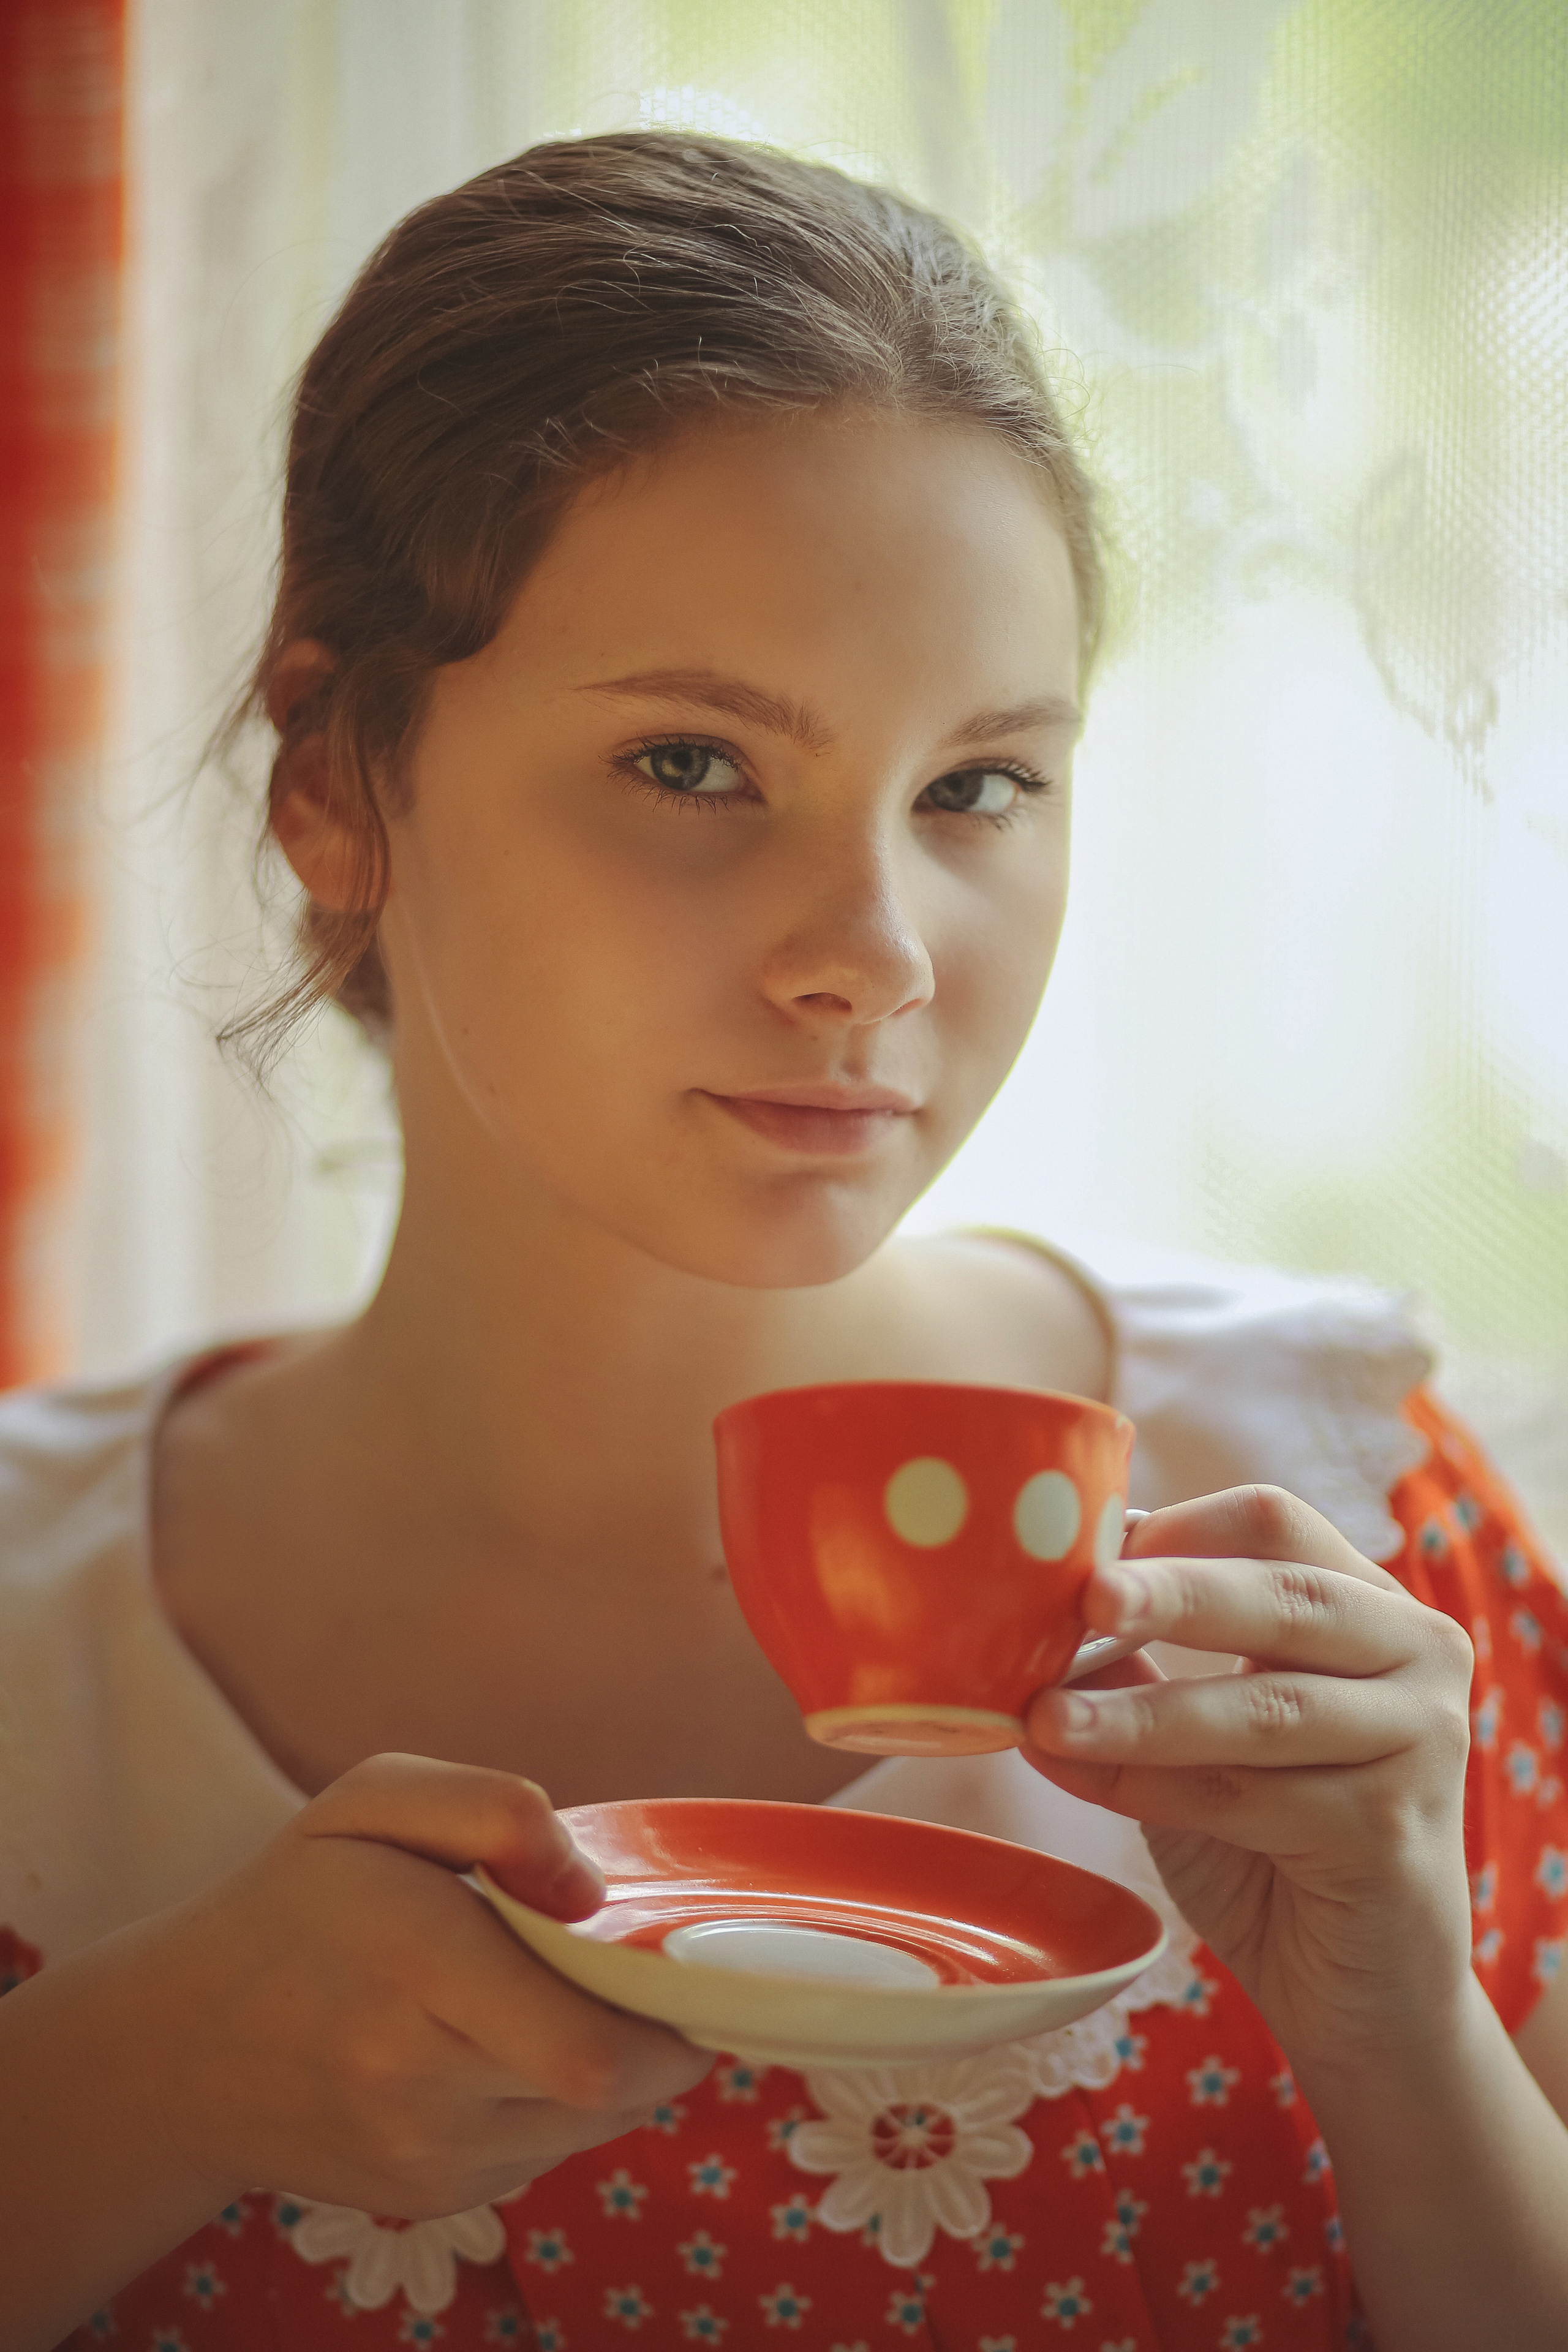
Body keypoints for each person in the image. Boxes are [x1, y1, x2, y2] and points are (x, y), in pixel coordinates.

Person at [2, 132, 1566, 2352]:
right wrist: (138, 2080)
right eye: (692, 768)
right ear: (336, 782)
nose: (878, 954)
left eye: (979, 788)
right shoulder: (21, 1654)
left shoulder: (1347, 1532)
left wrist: (1401, 2005)